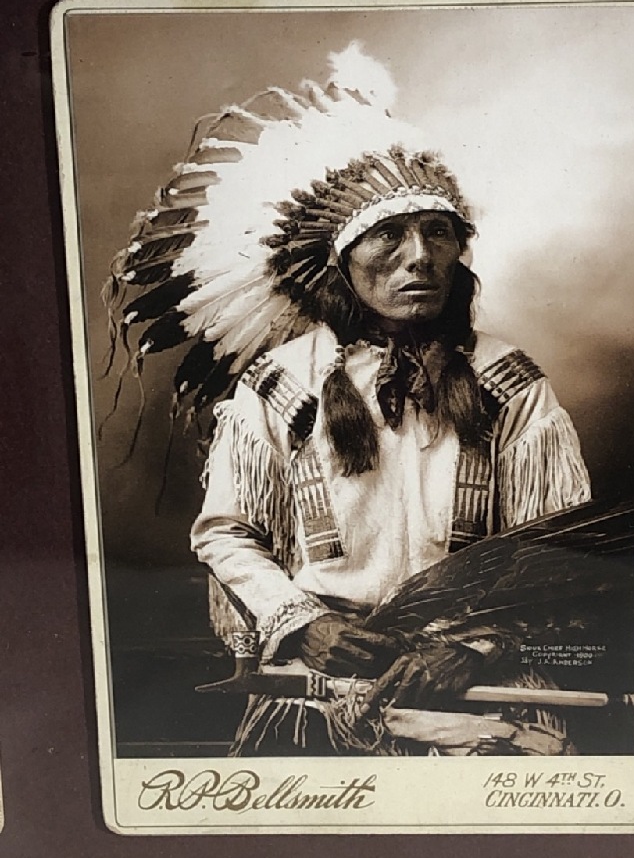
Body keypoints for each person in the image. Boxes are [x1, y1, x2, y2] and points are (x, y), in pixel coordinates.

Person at [108, 43, 591, 755]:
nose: (420, 256)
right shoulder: (280, 384)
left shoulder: (509, 382)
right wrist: (305, 624)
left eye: (438, 232)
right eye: (388, 234)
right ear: (340, 261)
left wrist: (476, 646)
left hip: (478, 685)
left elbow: (557, 542)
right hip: (322, 685)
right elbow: (227, 533)